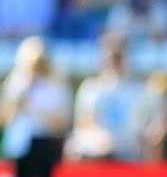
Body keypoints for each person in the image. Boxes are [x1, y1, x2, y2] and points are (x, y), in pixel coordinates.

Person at [0, 37, 72, 177]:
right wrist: (18, 103)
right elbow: (1, 118)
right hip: (19, 143)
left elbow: (63, 120)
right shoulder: (16, 83)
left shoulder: (55, 85)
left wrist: (40, 116)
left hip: (44, 142)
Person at [63, 33, 154, 161]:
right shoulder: (90, 88)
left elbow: (149, 124)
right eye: (110, 56)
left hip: (130, 146)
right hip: (97, 145)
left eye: (118, 56)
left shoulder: (141, 90)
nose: (113, 61)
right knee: (72, 147)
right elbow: (82, 124)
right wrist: (102, 138)